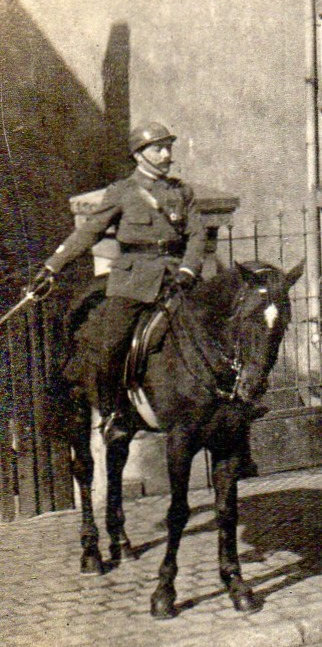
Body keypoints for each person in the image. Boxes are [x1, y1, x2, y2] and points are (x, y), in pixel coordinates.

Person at [31, 121, 208, 433]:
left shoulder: (181, 192)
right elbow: (88, 233)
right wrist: (52, 266)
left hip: (178, 278)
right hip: (134, 282)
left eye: (169, 147)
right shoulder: (122, 193)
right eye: (159, 148)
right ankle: (114, 414)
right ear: (139, 155)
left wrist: (188, 269)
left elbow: (197, 235)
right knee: (110, 343)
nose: (167, 154)